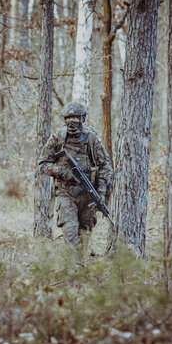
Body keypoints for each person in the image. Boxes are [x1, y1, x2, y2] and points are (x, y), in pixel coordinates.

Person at [38, 102, 113, 255]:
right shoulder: (58, 138)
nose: (72, 121)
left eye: (75, 118)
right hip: (66, 194)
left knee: (85, 233)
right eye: (69, 118)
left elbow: (105, 166)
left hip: (88, 195)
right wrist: (63, 172)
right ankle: (72, 267)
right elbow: (42, 165)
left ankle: (80, 267)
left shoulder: (91, 138)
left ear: (82, 118)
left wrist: (102, 194)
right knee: (70, 231)